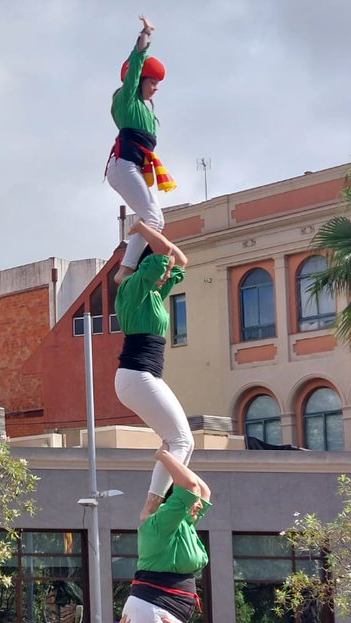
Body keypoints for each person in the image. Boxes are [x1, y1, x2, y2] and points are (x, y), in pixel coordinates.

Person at [113, 222, 191, 520]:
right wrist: (143, 227)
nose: (169, 275)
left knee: (184, 441)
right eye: (164, 270)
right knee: (179, 440)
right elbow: (167, 252)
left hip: (143, 376)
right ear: (148, 267)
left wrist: (148, 237)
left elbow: (180, 260)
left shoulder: (155, 293)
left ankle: (168, 494)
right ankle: (150, 507)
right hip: (136, 374)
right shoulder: (134, 289)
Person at [119, 449, 211, 623]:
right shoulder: (159, 525)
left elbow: (203, 491)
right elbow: (191, 487)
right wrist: (165, 455)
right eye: (194, 501)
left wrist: (181, 453)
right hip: (154, 606)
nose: (199, 504)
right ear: (175, 503)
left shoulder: (182, 525)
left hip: (164, 609)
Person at [107, 15, 176, 284]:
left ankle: (128, 267)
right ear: (139, 82)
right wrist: (145, 36)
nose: (156, 89)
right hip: (123, 164)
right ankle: (125, 270)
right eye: (152, 83)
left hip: (130, 166)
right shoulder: (127, 99)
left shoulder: (146, 111)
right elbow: (135, 66)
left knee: (156, 220)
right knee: (152, 218)